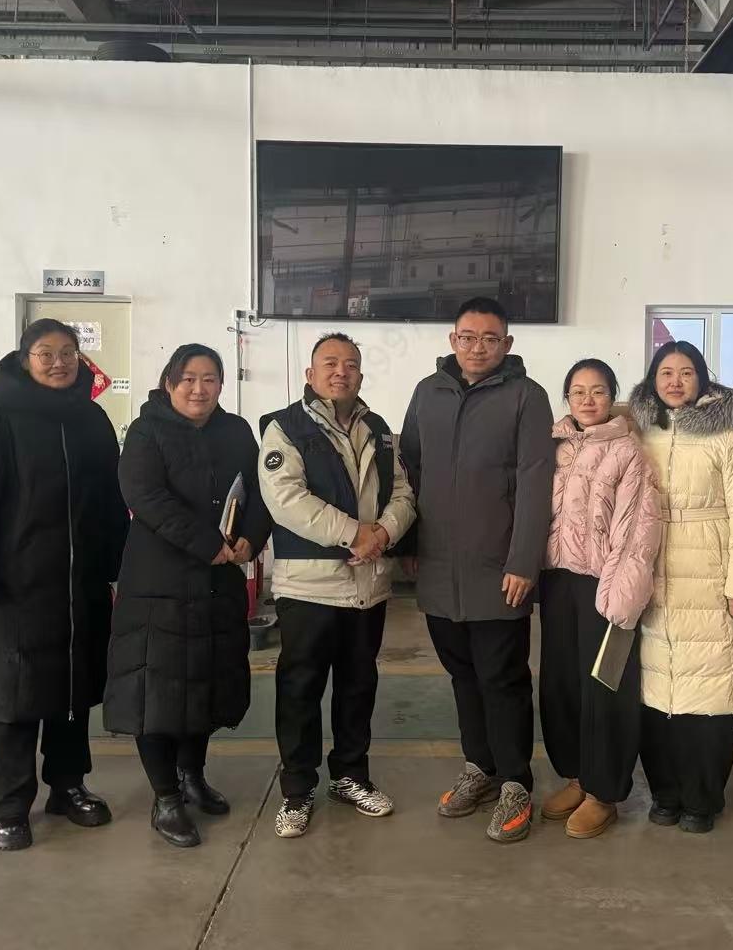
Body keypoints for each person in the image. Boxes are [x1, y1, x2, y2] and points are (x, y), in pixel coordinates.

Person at [0, 320, 129, 851]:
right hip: (13, 589)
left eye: (68, 352)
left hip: (79, 583)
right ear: (24, 358)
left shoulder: (92, 418)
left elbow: (111, 501)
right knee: (15, 697)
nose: (58, 362)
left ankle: (67, 786)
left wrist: (118, 567)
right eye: (45, 353)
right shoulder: (0, 418)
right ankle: (8, 806)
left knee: (72, 691)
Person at [104, 344, 271, 849]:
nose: (199, 389)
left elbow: (261, 492)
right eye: (188, 379)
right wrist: (206, 544)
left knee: (204, 685)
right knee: (155, 693)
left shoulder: (235, 431)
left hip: (218, 582)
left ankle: (192, 775)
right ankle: (165, 797)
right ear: (169, 382)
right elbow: (145, 497)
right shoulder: (147, 431)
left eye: (209, 379)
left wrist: (251, 539)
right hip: (159, 585)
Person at [400, 296, 554, 844]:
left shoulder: (527, 397)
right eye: (468, 337)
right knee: (462, 676)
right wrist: (409, 545)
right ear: (453, 340)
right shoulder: (428, 393)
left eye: (490, 339)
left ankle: (515, 782)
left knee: (502, 678)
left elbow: (536, 481)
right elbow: (408, 471)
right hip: (439, 567)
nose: (478, 348)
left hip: (499, 569)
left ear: (506, 344)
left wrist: (523, 560)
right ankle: (480, 768)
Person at [258, 333, 416, 839]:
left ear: (361, 376)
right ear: (310, 374)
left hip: (367, 586)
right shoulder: (286, 427)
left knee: (358, 685)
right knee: (300, 689)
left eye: (350, 364)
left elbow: (404, 492)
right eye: (329, 363)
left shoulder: (379, 430)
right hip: (309, 587)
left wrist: (384, 533)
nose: (340, 371)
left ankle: (350, 776)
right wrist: (354, 533)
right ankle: (297, 790)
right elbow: (285, 498)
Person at [628, 341, 733, 835]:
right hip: (651, 567)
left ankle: (702, 799)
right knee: (655, 686)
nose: (676, 382)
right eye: (666, 372)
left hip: (710, 570)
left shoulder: (728, 436)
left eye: (686, 372)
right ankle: (665, 793)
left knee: (711, 688)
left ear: (702, 379)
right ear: (653, 379)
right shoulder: (641, 432)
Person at [538, 358, 661, 840]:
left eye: (598, 391)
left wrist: (620, 599)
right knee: (562, 683)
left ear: (613, 397)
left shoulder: (629, 452)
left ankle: (604, 792)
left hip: (604, 586)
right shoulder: (554, 447)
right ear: (567, 398)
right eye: (578, 391)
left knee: (605, 686)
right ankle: (577, 776)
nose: (588, 400)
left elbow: (636, 531)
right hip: (557, 581)